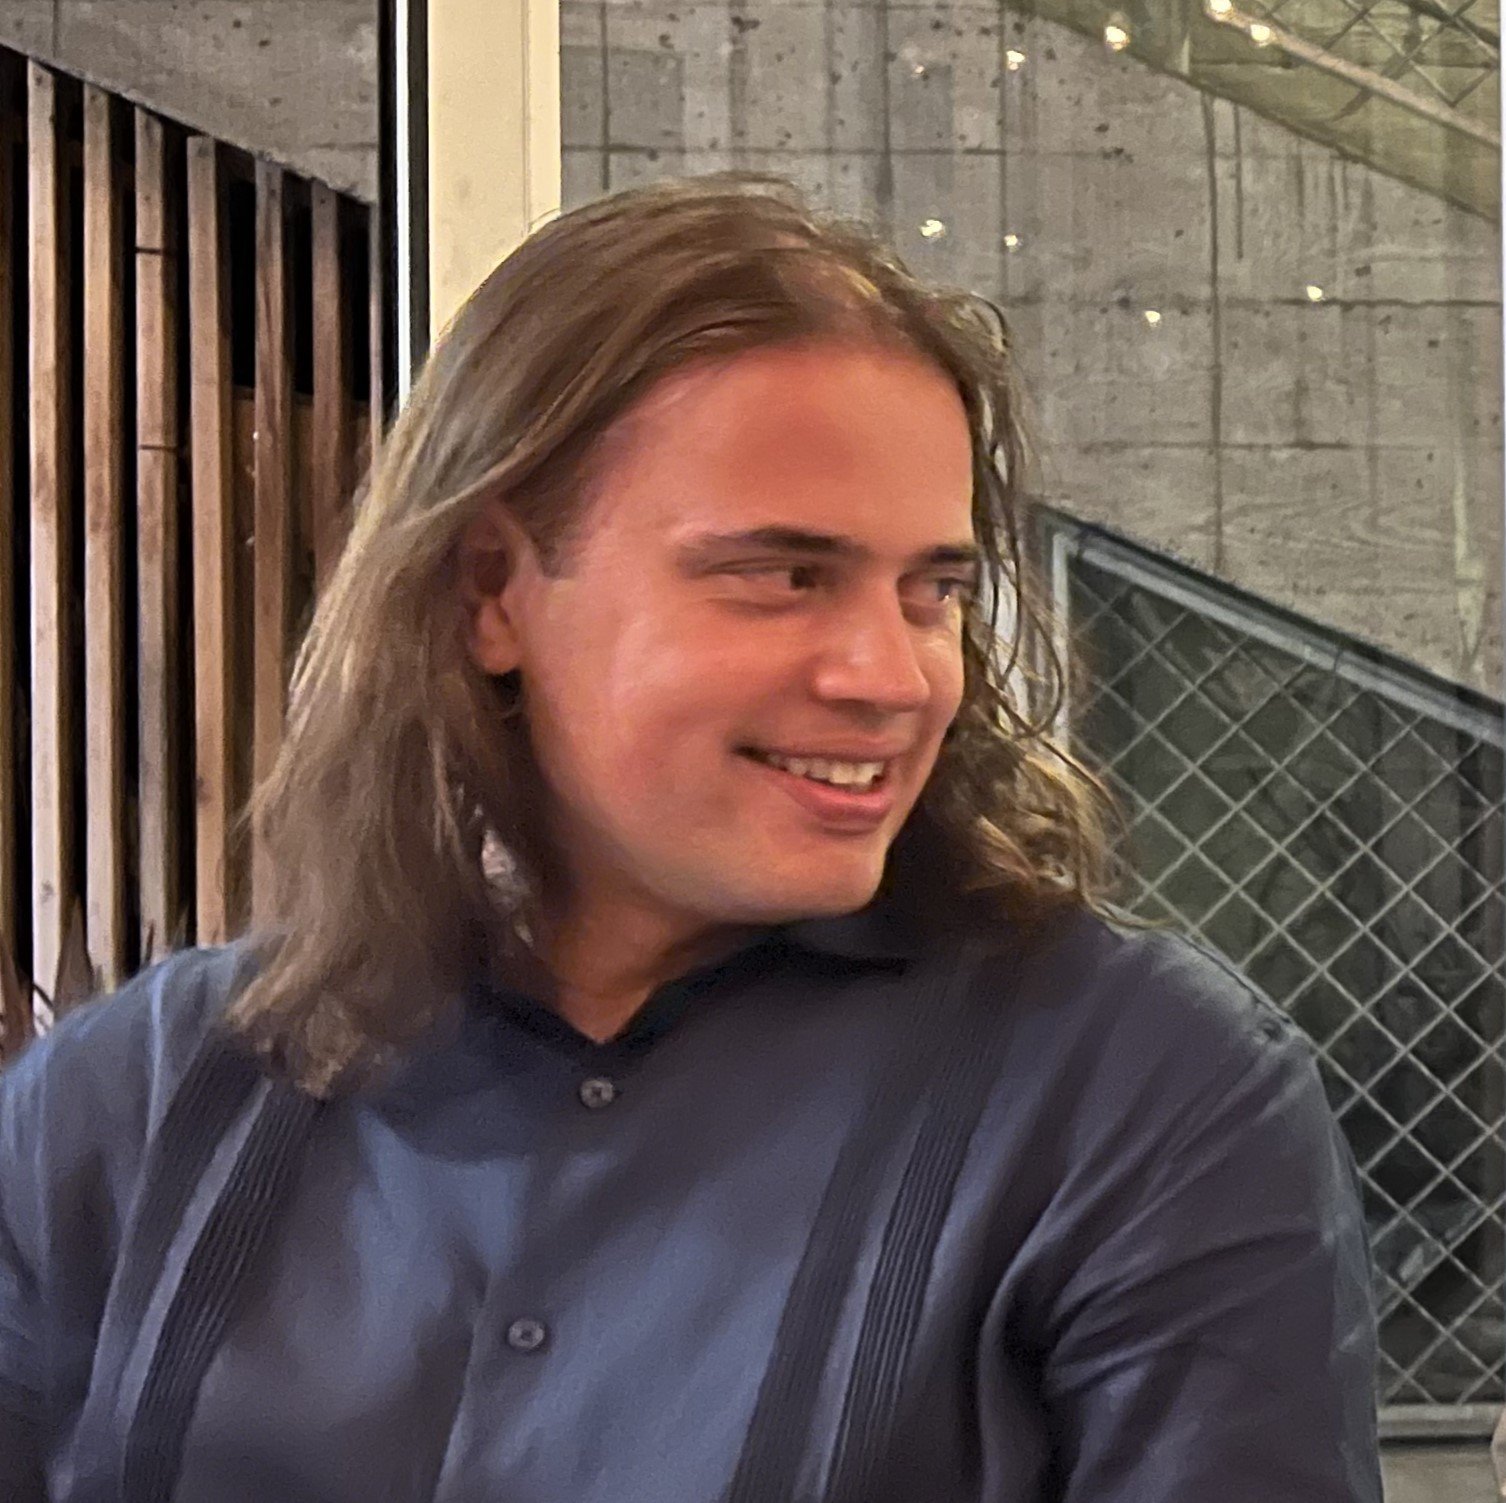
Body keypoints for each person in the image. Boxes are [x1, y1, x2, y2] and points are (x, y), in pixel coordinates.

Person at [0, 176, 1380, 1502]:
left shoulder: (1140, 1096)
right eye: (784, 577)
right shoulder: (131, 1108)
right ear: (493, 592)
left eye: (931, 592)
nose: (894, 677)